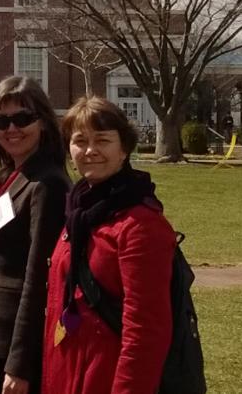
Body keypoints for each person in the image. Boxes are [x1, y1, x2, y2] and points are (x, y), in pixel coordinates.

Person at [42, 98, 177, 394]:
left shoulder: (140, 224)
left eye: (102, 140)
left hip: (107, 375)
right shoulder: (78, 213)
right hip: (68, 370)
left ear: (124, 148)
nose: (90, 150)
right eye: (80, 141)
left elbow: (145, 330)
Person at [0, 77, 71, 394]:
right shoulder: (11, 177)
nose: (11, 128)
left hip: (15, 349)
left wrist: (20, 364)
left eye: (23, 118)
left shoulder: (47, 184)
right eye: (1, 121)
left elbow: (39, 278)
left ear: (43, 122)